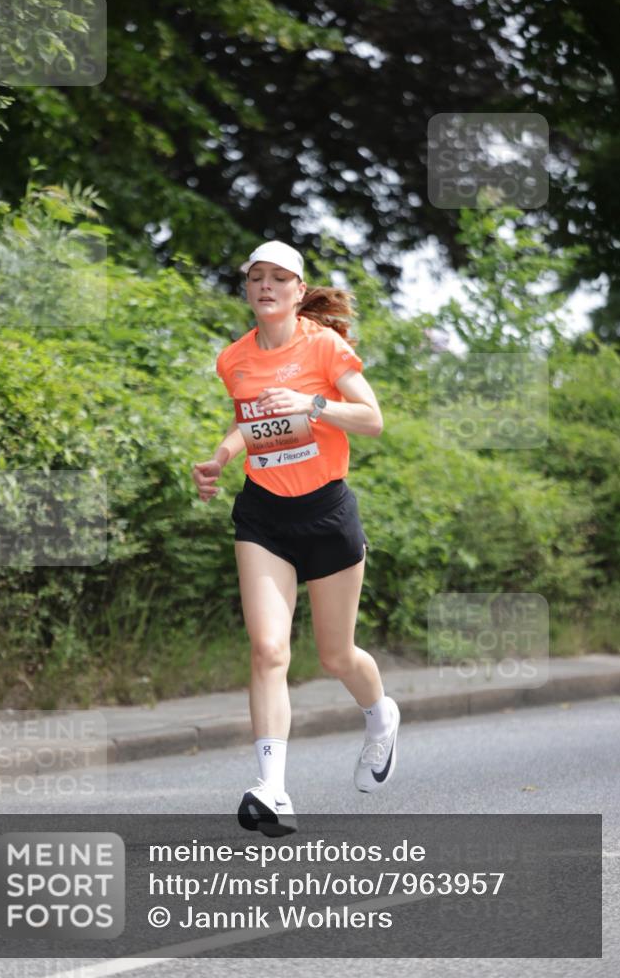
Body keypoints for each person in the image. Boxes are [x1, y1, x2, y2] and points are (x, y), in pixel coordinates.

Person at [192, 240, 400, 838]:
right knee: (268, 649)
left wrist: (313, 403)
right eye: (256, 277)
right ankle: (272, 788)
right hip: (262, 516)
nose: (265, 287)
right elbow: (249, 419)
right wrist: (221, 457)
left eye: (279, 279)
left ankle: (380, 716)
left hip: (327, 513)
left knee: (336, 655)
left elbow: (373, 420)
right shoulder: (233, 358)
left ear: (297, 290)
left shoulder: (325, 345)